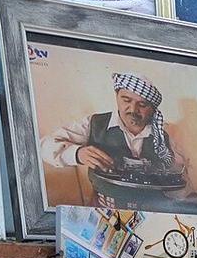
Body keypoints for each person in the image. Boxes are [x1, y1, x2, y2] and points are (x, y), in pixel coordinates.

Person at [40, 74, 188, 188]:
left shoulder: (167, 133)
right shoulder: (94, 124)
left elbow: (183, 174)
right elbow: (44, 146)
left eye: (142, 105)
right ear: (116, 96)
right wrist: (77, 153)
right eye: (126, 100)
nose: (133, 110)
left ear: (153, 109)